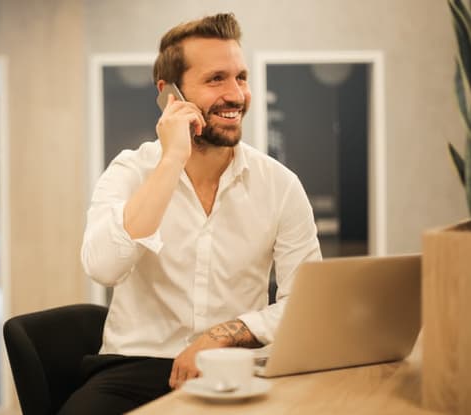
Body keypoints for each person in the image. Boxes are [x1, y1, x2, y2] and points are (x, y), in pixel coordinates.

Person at [62, 12, 321, 415]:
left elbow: (306, 304)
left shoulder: (280, 185)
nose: (236, 95)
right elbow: (104, 268)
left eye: (241, 77)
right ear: (170, 95)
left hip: (237, 367)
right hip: (134, 369)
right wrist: (172, 161)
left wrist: (224, 335)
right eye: (216, 79)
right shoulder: (130, 171)